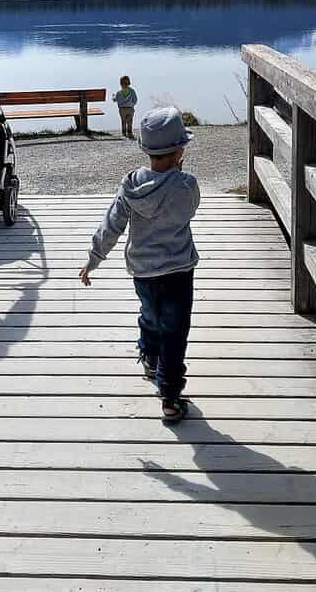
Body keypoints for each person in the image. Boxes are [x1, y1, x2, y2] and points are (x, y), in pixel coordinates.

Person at [79, 107, 200, 423]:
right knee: (174, 332)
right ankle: (170, 397)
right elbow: (189, 212)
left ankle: (148, 355)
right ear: (179, 150)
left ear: (146, 150)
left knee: (150, 313)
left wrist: (94, 258)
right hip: (178, 272)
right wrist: (179, 173)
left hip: (143, 272)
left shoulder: (130, 185)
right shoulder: (186, 185)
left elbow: (112, 224)